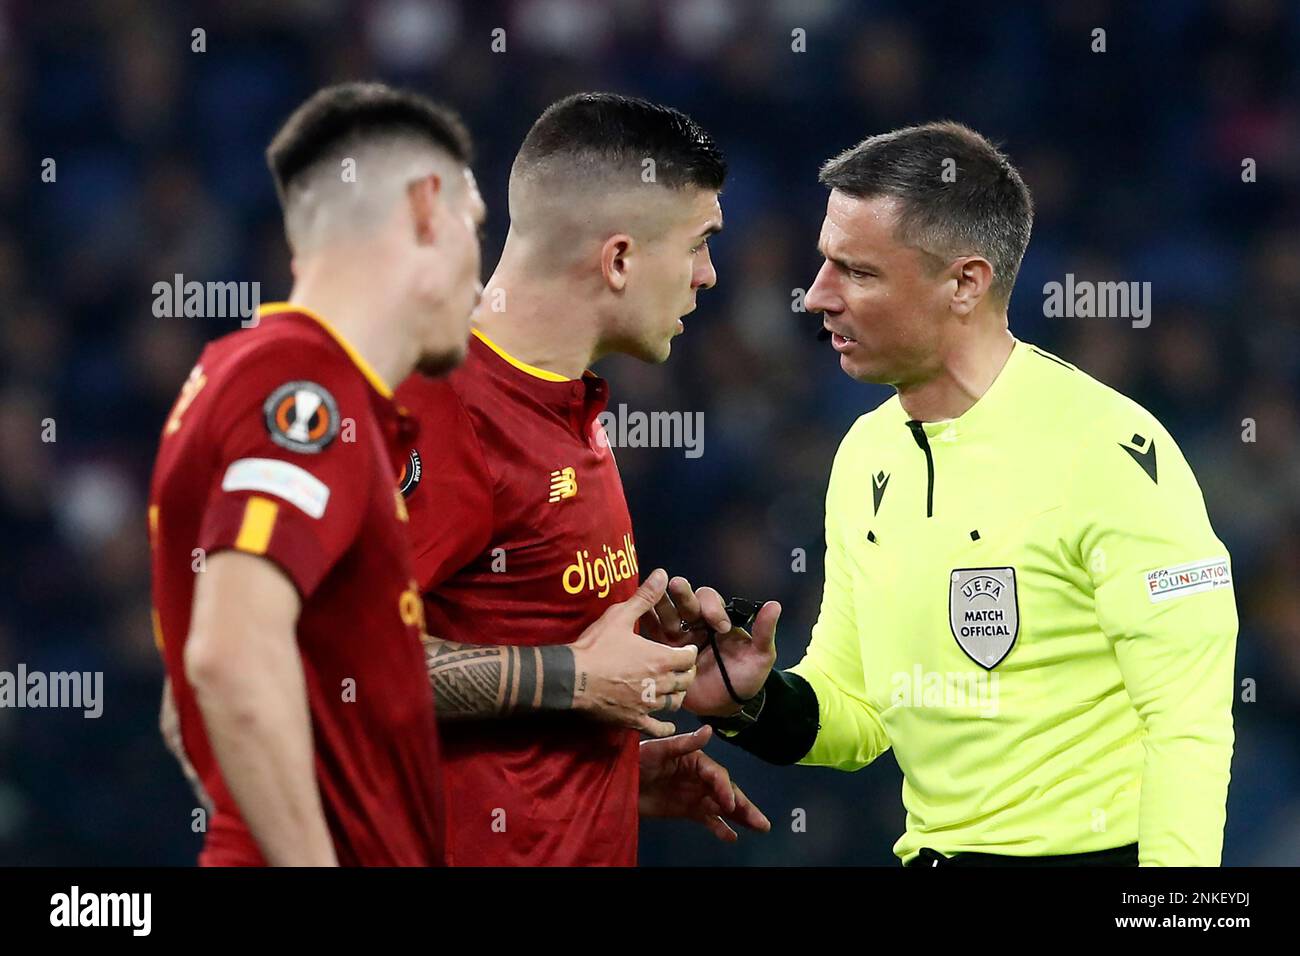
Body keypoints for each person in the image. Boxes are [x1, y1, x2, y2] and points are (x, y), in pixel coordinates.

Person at [671, 121, 1238, 867]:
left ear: (965, 282)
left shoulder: (1107, 451)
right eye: (822, 266)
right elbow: (862, 711)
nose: (815, 297)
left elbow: (1187, 722)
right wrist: (755, 701)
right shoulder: (865, 455)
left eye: (858, 272)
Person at [395, 93, 769, 865]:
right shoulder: (437, 407)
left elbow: (502, 649)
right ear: (620, 259)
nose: (709, 275)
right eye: (700, 244)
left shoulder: (569, 403)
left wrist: (605, 766)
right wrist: (573, 677)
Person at [149, 81, 484, 865]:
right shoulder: (302, 392)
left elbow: (187, 703)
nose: (481, 280)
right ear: (427, 209)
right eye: (475, 227)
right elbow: (228, 659)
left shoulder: (253, 376)